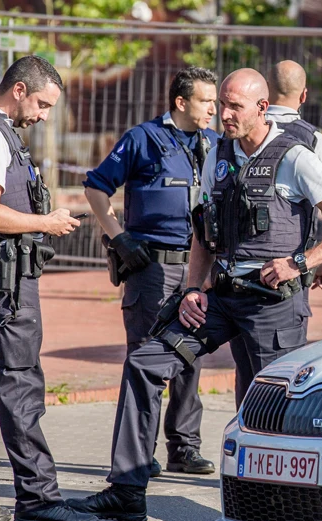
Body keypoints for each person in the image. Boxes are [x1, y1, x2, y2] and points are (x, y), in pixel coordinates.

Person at [68, 68, 322, 521]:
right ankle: (127, 490)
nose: (222, 114)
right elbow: (204, 232)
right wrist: (192, 288)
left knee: (271, 406)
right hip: (221, 298)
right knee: (146, 362)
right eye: (220, 104)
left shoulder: (296, 157)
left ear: (262, 108)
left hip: (273, 304)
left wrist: (302, 262)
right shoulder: (218, 154)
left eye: (234, 107)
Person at [0, 55, 99, 521]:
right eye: (44, 104)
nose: (45, 115)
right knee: (21, 383)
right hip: (4, 278)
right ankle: (38, 500)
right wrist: (47, 223)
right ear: (20, 90)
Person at [229, 59, 322, 521]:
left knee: (256, 392)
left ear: (265, 97)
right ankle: (266, 513)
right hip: (276, 281)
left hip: (267, 283)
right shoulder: (314, 141)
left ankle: (272, 515)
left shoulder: (271, 145)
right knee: (275, 398)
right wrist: (321, 264)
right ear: (303, 95)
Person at [84, 66, 219, 478]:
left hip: (197, 269)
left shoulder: (215, 143)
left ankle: (184, 447)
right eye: (206, 101)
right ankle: (140, 454)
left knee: (191, 356)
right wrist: (118, 237)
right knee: (147, 358)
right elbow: (96, 186)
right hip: (152, 268)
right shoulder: (142, 139)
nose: (214, 109)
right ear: (181, 102)